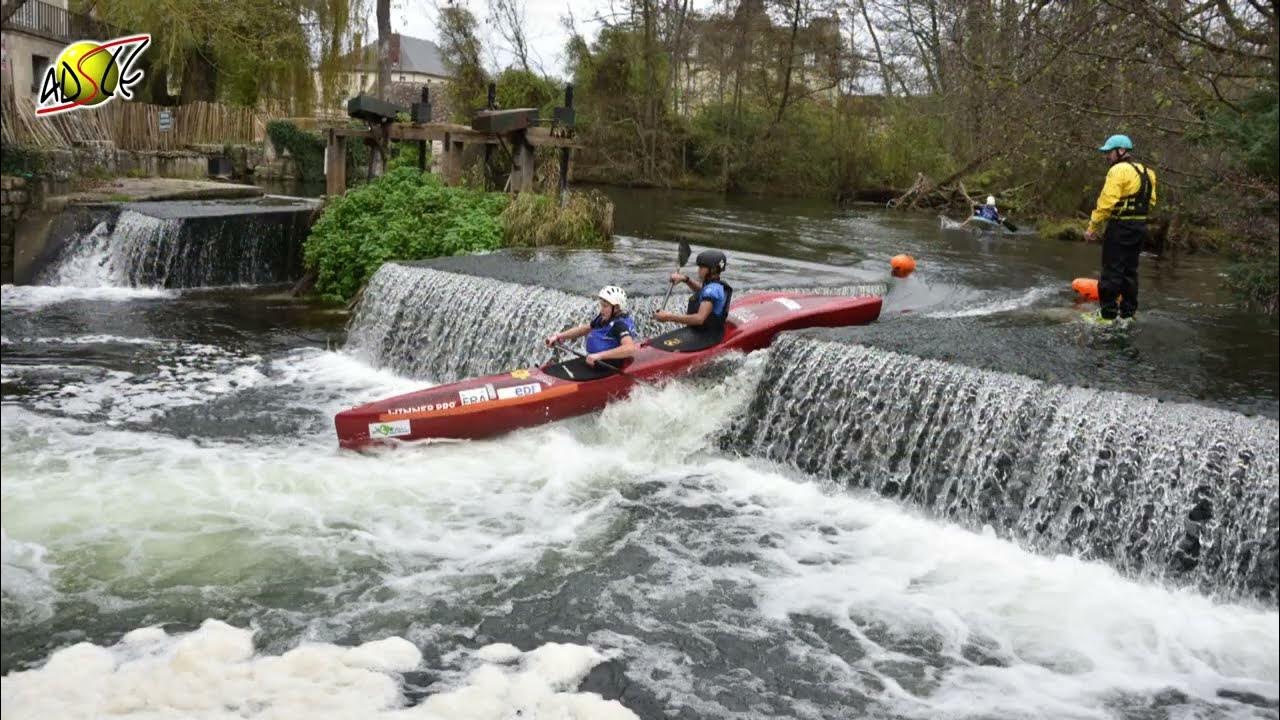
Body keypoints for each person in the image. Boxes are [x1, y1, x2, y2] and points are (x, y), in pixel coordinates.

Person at [1084, 134, 1158, 323]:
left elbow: (1106, 202)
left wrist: (1093, 226)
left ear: (1121, 151)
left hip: (1119, 227)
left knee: (1111, 270)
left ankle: (1107, 315)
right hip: (1139, 228)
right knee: (1130, 271)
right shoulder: (1148, 172)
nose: (1107, 156)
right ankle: (1128, 314)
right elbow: (1151, 201)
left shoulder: (1117, 171)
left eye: (1109, 152)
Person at [544, 286, 637, 366]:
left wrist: (599, 356)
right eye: (601, 305)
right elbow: (584, 329)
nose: (601, 310)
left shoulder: (619, 325)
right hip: (595, 362)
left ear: (616, 308)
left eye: (605, 306)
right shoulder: (604, 318)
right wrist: (559, 336)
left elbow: (630, 348)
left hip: (608, 367)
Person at [654, 249, 733, 339]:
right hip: (706, 331)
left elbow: (699, 319)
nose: (698, 270)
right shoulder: (715, 286)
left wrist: (668, 317)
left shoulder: (712, 290)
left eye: (702, 267)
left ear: (713, 270)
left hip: (706, 335)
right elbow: (702, 291)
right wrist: (685, 279)